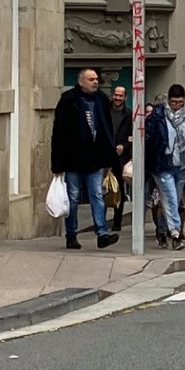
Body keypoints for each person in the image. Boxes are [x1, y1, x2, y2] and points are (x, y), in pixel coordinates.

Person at [50, 68, 118, 250]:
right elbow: (59, 133)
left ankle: (102, 233)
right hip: (73, 158)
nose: (95, 82)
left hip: (94, 158)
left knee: (97, 194)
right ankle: (71, 234)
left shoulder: (101, 100)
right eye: (91, 79)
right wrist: (57, 163)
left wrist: (108, 158)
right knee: (73, 197)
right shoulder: (69, 101)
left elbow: (106, 129)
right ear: (81, 81)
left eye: (96, 79)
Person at [143, 84, 185, 250]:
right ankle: (175, 234)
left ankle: (162, 230)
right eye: (174, 102)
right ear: (168, 100)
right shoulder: (157, 115)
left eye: (180, 102)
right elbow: (149, 138)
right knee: (171, 197)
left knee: (170, 200)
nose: (177, 106)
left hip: (182, 165)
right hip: (162, 164)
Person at [106, 83, 134, 235]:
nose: (117, 98)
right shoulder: (105, 111)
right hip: (105, 155)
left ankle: (117, 221)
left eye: (120, 96)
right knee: (102, 188)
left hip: (121, 157)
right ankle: (101, 221)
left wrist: (124, 146)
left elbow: (132, 136)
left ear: (125, 97)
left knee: (120, 190)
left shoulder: (129, 115)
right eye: (116, 95)